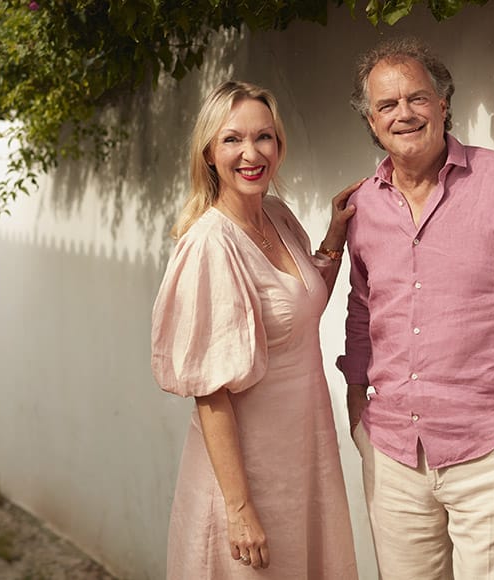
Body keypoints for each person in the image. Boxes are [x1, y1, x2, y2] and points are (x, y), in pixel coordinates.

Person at [339, 37, 494, 579]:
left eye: (417, 98)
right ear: (371, 121)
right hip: (393, 451)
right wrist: (358, 403)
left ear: (444, 104)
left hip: (493, 448)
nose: (404, 113)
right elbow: (362, 309)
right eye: (387, 105)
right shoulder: (364, 207)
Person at [151, 80, 360, 579]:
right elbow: (211, 392)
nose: (251, 153)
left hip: (303, 459)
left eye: (263, 137)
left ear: (279, 145)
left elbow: (298, 312)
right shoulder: (209, 245)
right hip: (247, 477)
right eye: (232, 139)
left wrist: (333, 238)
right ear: (208, 152)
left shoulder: (278, 216)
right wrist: (240, 510)